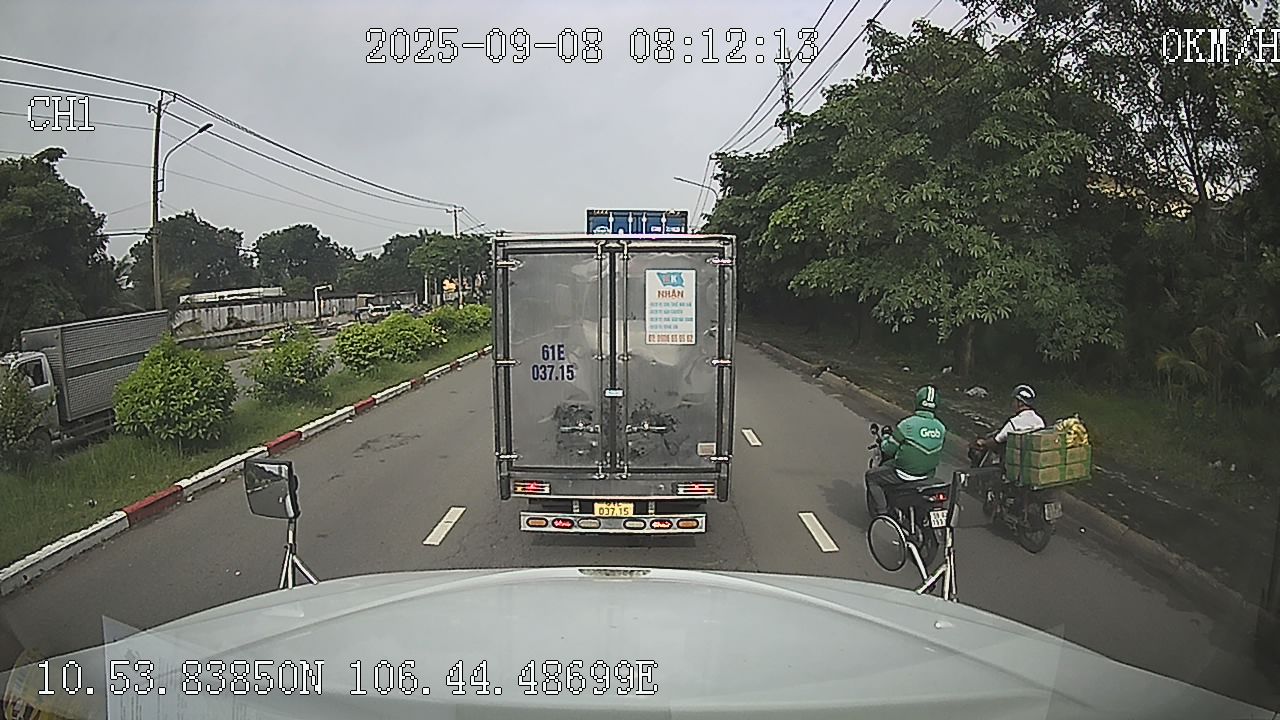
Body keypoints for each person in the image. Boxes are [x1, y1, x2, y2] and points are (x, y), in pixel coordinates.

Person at [865, 385, 948, 518]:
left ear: (917, 401)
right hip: (927, 475)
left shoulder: (907, 425)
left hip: (904, 474)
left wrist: (885, 438)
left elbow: (889, 449)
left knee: (871, 477)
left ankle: (882, 514)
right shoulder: (941, 428)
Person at [975, 384, 1046, 453]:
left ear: (1020, 403)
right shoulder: (1040, 421)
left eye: (1014, 401)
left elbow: (997, 440)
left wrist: (983, 442)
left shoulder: (1014, 423)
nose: (1013, 404)